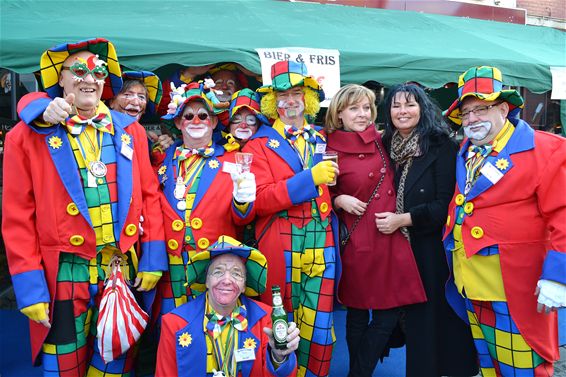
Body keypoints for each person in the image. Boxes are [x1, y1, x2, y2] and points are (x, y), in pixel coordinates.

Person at [2, 38, 167, 376]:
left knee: (115, 363)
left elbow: (149, 197)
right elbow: (17, 216)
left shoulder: (131, 132)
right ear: (59, 79)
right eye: (78, 70)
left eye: (99, 71)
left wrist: (152, 259)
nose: (89, 78)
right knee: (64, 365)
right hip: (63, 273)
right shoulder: (27, 134)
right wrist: (30, 287)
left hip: (119, 269)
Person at [443, 66, 566, 376]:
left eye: (480, 108)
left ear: (503, 107)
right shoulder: (466, 150)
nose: (471, 119)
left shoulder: (545, 149)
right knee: (489, 367)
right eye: (466, 112)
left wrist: (557, 275)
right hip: (469, 281)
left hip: (513, 287)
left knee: (523, 369)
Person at [244, 60, 339, 377]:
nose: (290, 100)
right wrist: (308, 179)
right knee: (281, 323)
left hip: (321, 241)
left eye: (297, 92)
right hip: (282, 241)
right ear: (272, 101)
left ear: (308, 97)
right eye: (281, 94)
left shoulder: (321, 138)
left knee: (321, 327)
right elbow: (258, 200)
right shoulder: (259, 144)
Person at [324, 84, 426, 377]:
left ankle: (358, 372)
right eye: (354, 108)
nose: (362, 114)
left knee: (388, 312)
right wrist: (338, 199)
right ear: (339, 112)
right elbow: (317, 194)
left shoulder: (386, 140)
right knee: (356, 313)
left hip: (390, 235)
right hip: (357, 239)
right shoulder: (328, 148)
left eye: (367, 108)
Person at [379, 83, 478, 376]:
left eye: (410, 104)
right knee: (396, 320)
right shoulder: (385, 145)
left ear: (422, 108)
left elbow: (444, 204)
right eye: (396, 105)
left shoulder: (441, 145)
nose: (402, 111)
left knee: (428, 325)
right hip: (391, 249)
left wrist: (403, 219)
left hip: (428, 249)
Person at [153, 82, 256, 318]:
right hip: (171, 263)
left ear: (214, 121)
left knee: (214, 325)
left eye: (203, 115)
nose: (196, 121)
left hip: (214, 263)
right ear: (178, 123)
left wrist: (243, 201)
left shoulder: (234, 160)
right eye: (188, 116)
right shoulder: (162, 160)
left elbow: (244, 219)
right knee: (172, 325)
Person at [155, 235, 300, 377]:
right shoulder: (174, 323)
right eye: (218, 272)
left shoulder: (267, 319)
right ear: (206, 281)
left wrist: (279, 357)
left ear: (244, 285)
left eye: (236, 274)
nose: (227, 280)